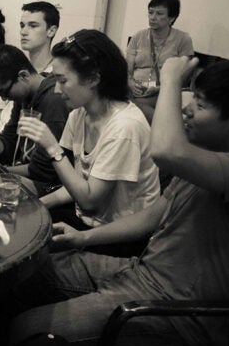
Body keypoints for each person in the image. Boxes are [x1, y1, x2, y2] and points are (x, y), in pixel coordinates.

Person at [10, 56, 229, 346]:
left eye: (201, 105)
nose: (187, 109)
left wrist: (169, 79)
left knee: (26, 330)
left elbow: (166, 151)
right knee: (24, 270)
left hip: (178, 312)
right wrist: (83, 238)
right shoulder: (206, 157)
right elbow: (155, 213)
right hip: (141, 273)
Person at [16, 30, 161, 239]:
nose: (57, 90)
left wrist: (52, 148)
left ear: (93, 79)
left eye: (63, 80)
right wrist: (37, 204)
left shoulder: (124, 127)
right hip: (84, 221)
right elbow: (76, 186)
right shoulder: (79, 115)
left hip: (118, 237)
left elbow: (90, 202)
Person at [0, 45, 69, 195]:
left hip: (48, 187)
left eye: (4, 92)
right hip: (25, 175)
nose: (4, 98)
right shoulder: (23, 98)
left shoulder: (55, 100)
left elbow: (42, 171)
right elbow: (5, 151)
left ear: (23, 76)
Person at [124, 0, 194, 120]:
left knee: (130, 105)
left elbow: (184, 74)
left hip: (164, 90)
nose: (152, 17)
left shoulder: (183, 39)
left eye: (159, 14)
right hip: (135, 88)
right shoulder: (138, 36)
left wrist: (159, 88)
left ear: (171, 18)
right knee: (119, 97)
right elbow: (127, 68)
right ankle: (165, 123)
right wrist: (130, 83)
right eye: (150, 13)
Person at [19, 1, 61, 74]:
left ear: (51, 31)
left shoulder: (59, 72)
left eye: (33, 26)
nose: (23, 32)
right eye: (22, 26)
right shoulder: (18, 71)